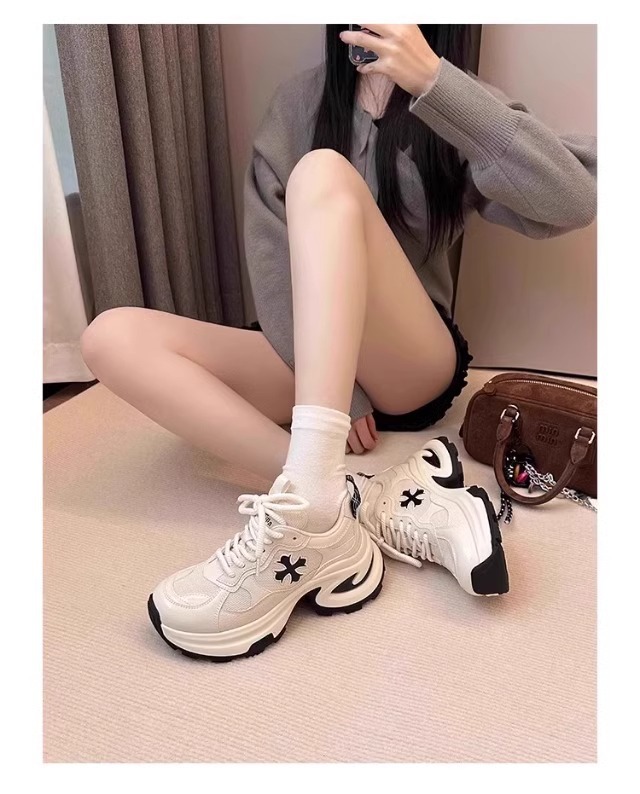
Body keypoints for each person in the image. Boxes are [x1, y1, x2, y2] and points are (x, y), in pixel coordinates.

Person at [81, 24, 597, 661]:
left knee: (321, 172)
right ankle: (342, 496)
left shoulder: (458, 96)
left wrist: (434, 82)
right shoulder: (299, 103)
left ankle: (314, 487)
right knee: (110, 338)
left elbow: (573, 200)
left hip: (412, 362)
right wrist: (341, 394)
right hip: (313, 365)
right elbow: (272, 265)